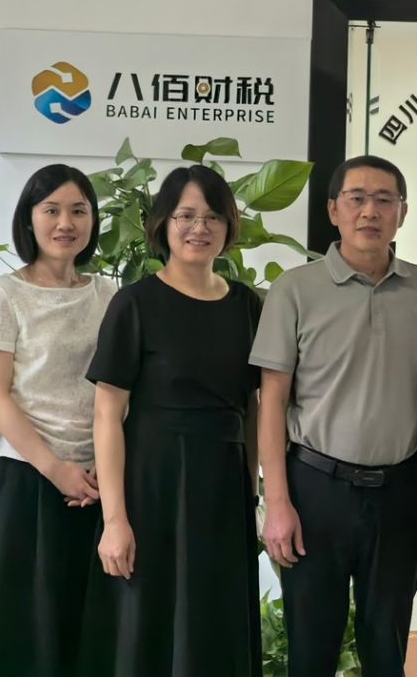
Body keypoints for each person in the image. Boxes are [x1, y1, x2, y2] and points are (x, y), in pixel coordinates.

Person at [253, 155, 417, 677]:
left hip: (398, 492)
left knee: (387, 646)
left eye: (384, 199)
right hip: (317, 490)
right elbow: (272, 400)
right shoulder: (295, 290)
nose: (370, 211)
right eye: (356, 198)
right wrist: (277, 502)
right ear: (333, 210)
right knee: (312, 647)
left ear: (402, 212)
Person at [83, 166, 264, 675]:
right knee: (151, 623)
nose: (199, 228)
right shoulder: (135, 303)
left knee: (215, 621)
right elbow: (107, 414)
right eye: (186, 215)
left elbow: (253, 407)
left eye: (212, 216)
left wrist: (251, 493)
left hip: (224, 487)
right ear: (163, 223)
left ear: (228, 226)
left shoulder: (246, 305)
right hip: (153, 485)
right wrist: (115, 520)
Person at [0, 164, 116, 676]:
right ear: (29, 219)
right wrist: (57, 469)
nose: (65, 223)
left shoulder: (110, 294)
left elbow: (121, 393)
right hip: (30, 479)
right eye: (51, 210)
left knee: (87, 630)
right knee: (24, 631)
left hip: (99, 483)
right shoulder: (3, 295)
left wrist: (101, 470)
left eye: (78, 211)